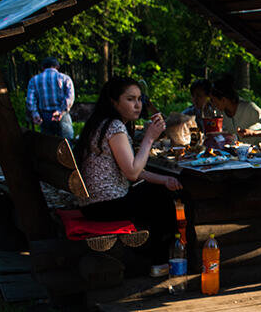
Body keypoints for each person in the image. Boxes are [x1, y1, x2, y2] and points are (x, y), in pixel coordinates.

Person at [74, 76, 183, 267]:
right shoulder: (114, 127)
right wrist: (149, 138)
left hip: (93, 204)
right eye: (130, 99)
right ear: (114, 102)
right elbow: (132, 173)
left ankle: (159, 258)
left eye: (140, 99)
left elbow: (130, 167)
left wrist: (163, 179)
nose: (138, 105)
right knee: (164, 200)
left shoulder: (101, 123)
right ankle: (160, 260)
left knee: (159, 191)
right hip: (105, 205)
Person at [208, 76, 261, 141]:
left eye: (214, 101)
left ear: (223, 100)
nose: (212, 104)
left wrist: (254, 133)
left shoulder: (249, 108)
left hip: (257, 151)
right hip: (232, 153)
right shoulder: (220, 113)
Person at [26, 56, 75, 139]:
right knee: (67, 143)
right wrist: (60, 111)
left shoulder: (34, 80)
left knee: (48, 144)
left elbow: (30, 100)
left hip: (45, 116)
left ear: (43, 67)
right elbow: (70, 97)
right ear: (57, 66)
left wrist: (35, 114)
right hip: (62, 116)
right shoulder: (65, 78)